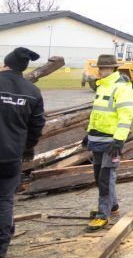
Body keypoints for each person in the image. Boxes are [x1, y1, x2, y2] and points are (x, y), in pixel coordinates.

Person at [0, 48, 45, 257]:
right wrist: (28, 147)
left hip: (10, 156)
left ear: (6, 63)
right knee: (5, 201)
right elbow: (36, 125)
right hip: (11, 156)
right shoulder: (32, 92)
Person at [84, 54, 133, 231]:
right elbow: (97, 113)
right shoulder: (102, 86)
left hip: (112, 142)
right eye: (99, 68)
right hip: (97, 139)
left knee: (106, 178)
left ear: (113, 68)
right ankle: (112, 206)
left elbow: (126, 115)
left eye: (103, 68)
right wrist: (89, 132)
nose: (100, 70)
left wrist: (119, 140)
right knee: (98, 176)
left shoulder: (121, 88)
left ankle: (102, 215)